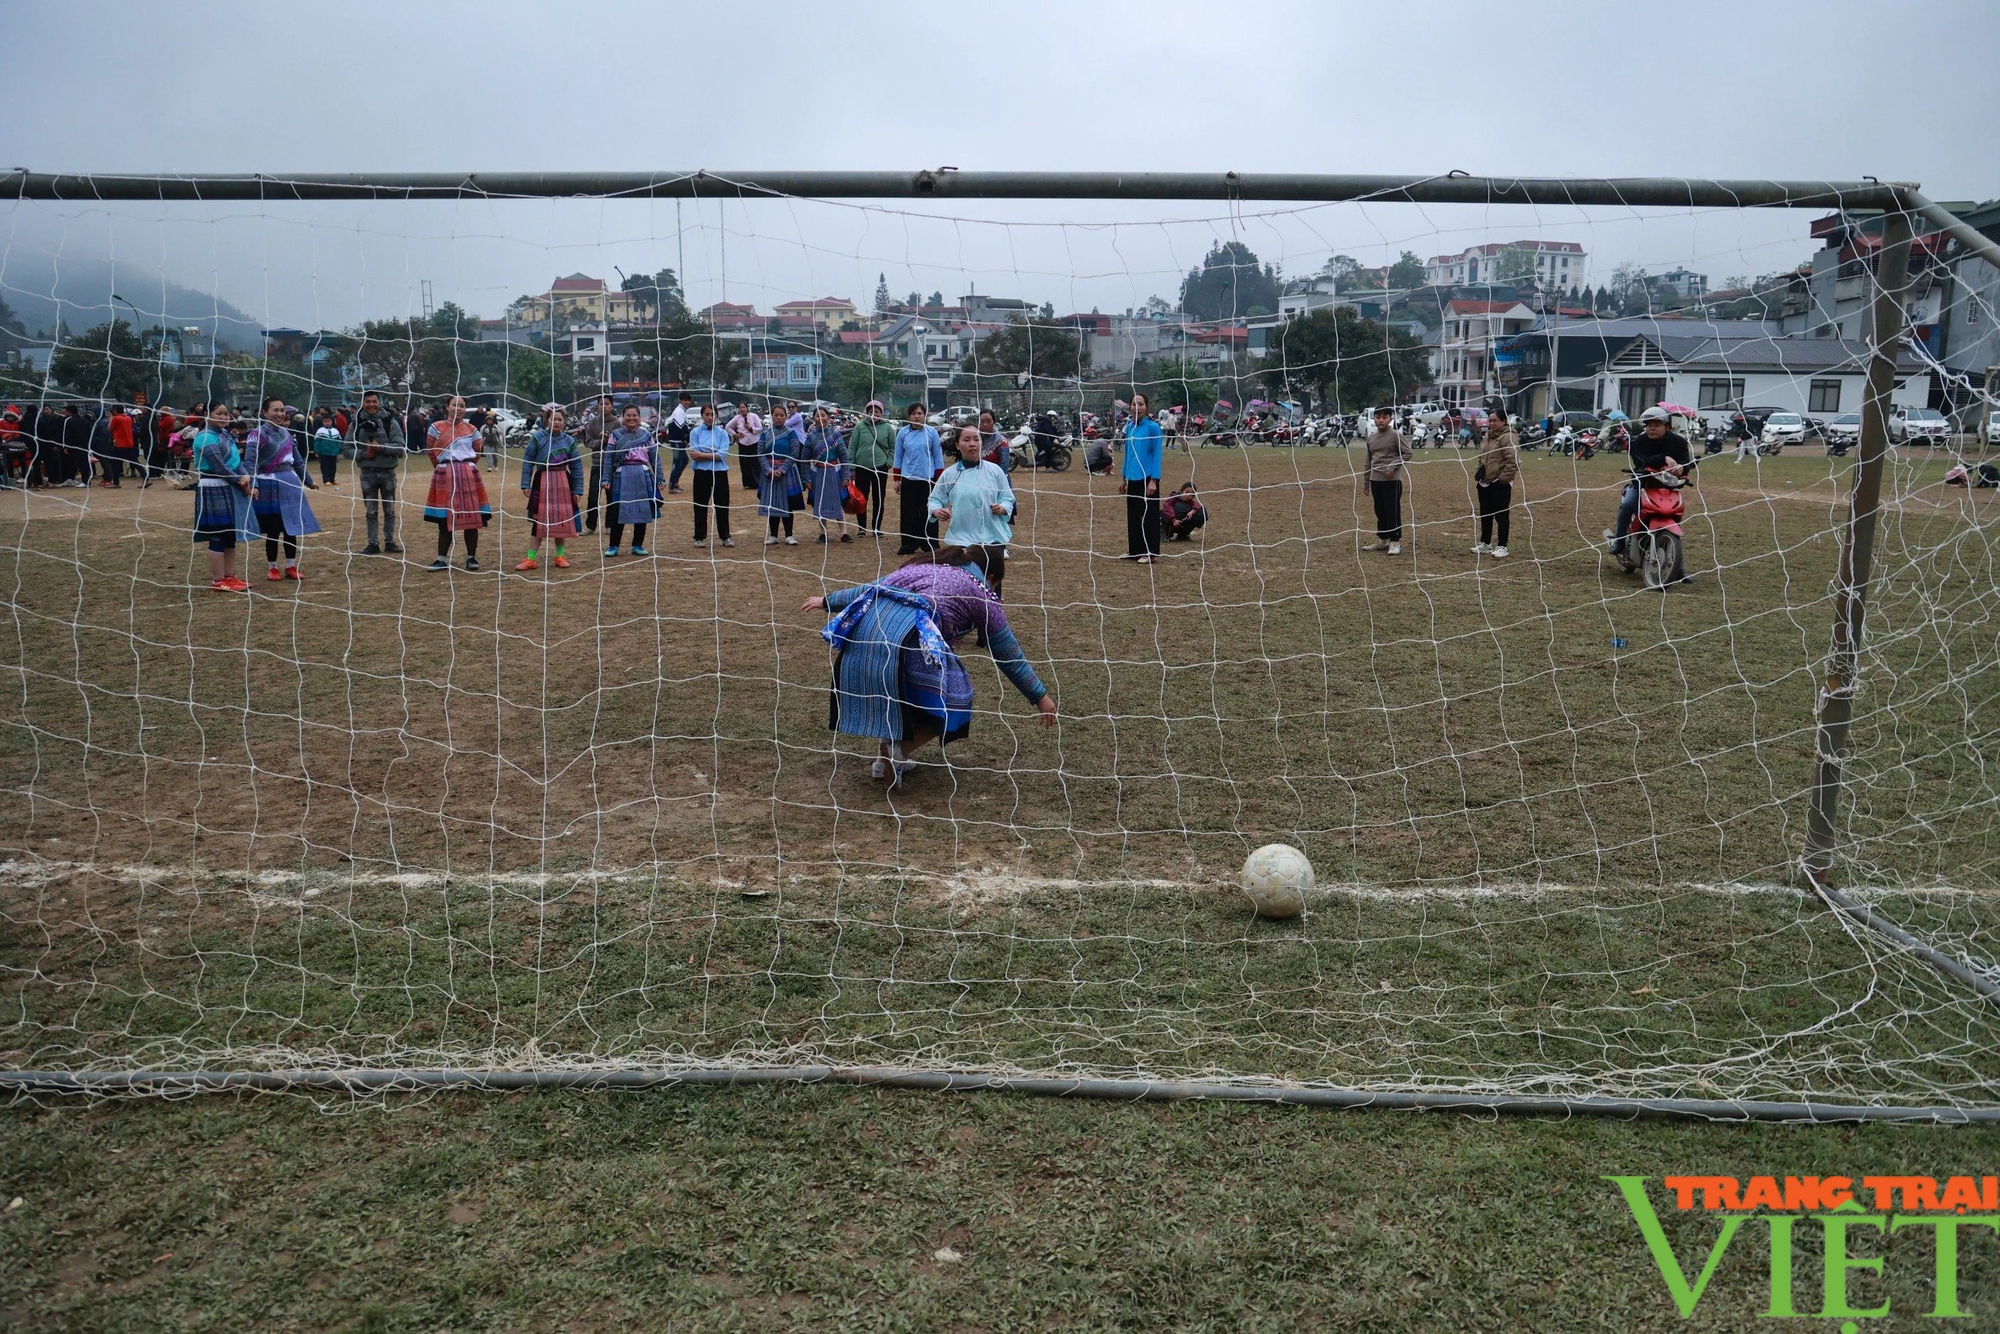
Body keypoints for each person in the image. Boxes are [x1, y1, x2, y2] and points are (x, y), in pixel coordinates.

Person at [804, 547, 1056, 788]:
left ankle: (884, 762)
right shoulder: (979, 590)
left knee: (900, 694)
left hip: (865, 639)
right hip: (911, 638)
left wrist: (827, 601)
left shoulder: (920, 567)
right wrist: (1039, 696)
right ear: (991, 577)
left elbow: (868, 589)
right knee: (954, 698)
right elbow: (1007, 651)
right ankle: (898, 751)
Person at [1606, 405, 1693, 581]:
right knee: (1628, 505)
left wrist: (1682, 468)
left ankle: (1678, 567)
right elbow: (1639, 461)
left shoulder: (1679, 442)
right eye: (1648, 425)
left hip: (1668, 487)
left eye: (1657, 424)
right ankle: (1620, 541)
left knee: (1675, 516)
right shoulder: (1637, 441)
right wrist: (1663, 458)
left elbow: (1686, 462)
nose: (1651, 428)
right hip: (1642, 484)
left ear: (1667, 426)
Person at [928, 425, 1016, 596]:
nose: (972, 444)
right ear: (957, 445)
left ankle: (992, 618)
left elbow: (1008, 497)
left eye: (976, 439)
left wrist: (1003, 507)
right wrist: (937, 511)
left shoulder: (995, 471)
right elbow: (934, 499)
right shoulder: (950, 474)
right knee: (964, 586)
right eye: (966, 440)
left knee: (991, 587)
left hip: (993, 539)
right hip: (962, 539)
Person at [243, 396, 324, 581]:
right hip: (268, 483)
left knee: (291, 527)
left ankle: (291, 565)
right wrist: (253, 484)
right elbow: (250, 462)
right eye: (275, 410)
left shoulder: (287, 433)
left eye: (282, 411)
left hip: (289, 483)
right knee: (273, 529)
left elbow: (297, 460)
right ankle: (272, 567)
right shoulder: (256, 434)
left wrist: (308, 480)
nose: (279, 414)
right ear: (264, 412)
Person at [190, 402, 255, 592]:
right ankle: (219, 580)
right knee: (217, 535)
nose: (224, 417)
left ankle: (230, 577)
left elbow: (237, 462)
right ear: (207, 415)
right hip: (213, 487)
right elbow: (218, 466)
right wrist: (240, 482)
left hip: (229, 487)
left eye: (226, 414)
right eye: (219, 413)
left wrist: (247, 479)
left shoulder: (226, 435)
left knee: (229, 535)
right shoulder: (205, 437)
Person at [423, 395, 491, 571]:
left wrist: (465, 468)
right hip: (445, 474)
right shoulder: (435, 428)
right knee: (445, 518)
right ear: (447, 407)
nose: (458, 409)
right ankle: (442, 559)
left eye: (462, 406)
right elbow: (431, 452)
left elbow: (477, 453)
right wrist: (443, 468)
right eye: (455, 405)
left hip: (468, 475)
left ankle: (471, 558)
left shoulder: (472, 430)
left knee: (472, 517)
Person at [516, 404, 585, 571]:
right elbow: (528, 462)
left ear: (564, 421)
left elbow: (577, 466)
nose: (557, 422)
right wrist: (526, 484)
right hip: (542, 480)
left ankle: (560, 557)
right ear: (547, 420)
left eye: (560, 419)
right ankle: (531, 559)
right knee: (538, 520)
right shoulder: (537, 438)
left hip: (563, 481)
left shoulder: (569, 441)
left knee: (561, 521)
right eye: (553, 419)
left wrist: (578, 489)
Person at [350, 390, 407, 555]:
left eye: (374, 401)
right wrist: (364, 454)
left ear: (379, 403)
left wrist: (380, 447)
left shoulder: (390, 421)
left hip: (388, 472)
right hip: (367, 473)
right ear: (363, 404)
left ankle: (390, 541)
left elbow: (400, 446)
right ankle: (372, 543)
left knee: (389, 510)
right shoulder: (355, 423)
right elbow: (347, 448)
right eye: (367, 402)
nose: (371, 405)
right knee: (371, 511)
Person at [604, 404, 663, 556]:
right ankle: (613, 546)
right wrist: (605, 478)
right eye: (628, 415)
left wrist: (660, 479)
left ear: (639, 417)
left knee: (642, 510)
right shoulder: (615, 435)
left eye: (634, 415)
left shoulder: (647, 435)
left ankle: (637, 545)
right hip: (621, 474)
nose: (631, 418)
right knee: (618, 510)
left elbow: (654, 459)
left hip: (642, 474)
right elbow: (609, 458)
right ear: (622, 417)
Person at [890, 401, 944, 555]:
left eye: (920, 413)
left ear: (925, 415)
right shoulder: (903, 433)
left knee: (929, 511)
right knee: (908, 513)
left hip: (928, 479)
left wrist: (938, 479)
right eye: (914, 413)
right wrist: (896, 479)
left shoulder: (931, 432)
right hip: (908, 479)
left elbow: (938, 456)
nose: (917, 416)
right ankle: (908, 544)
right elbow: (898, 456)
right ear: (909, 416)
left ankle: (930, 544)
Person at [1362, 405, 1412, 555]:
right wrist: (1366, 482)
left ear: (1390, 419)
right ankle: (1383, 539)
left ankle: (1395, 541)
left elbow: (1407, 453)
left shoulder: (1396, 435)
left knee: (1392, 511)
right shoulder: (1371, 438)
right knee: (1380, 510)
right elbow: (1367, 461)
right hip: (1375, 479)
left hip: (1392, 481)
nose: (1381, 420)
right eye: (1378, 417)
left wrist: (1392, 466)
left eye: (1384, 417)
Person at [1121, 392, 1164, 563]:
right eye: (1134, 404)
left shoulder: (1153, 428)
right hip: (1132, 478)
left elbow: (1157, 454)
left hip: (1148, 478)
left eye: (1141, 404)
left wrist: (1154, 480)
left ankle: (1151, 552)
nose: (1137, 407)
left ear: (1146, 407)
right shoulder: (1130, 427)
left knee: (1149, 516)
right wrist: (1123, 478)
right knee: (1133, 515)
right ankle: (1135, 551)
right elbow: (1127, 454)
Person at [1472, 407, 1518, 559]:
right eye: (1489, 420)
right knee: (1485, 513)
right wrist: (1480, 471)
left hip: (1499, 483)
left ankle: (1502, 546)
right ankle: (1485, 543)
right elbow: (1483, 456)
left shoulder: (1508, 437)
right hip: (1485, 482)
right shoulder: (1488, 436)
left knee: (1501, 515)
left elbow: (1512, 461)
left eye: (1495, 420)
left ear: (1503, 421)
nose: (1491, 423)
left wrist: (1502, 480)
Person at [687, 402, 734, 547]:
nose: (710, 417)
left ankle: (725, 536)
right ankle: (699, 537)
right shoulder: (695, 432)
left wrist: (703, 454)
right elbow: (694, 454)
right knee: (700, 505)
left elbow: (722, 455)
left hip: (719, 472)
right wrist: (710, 454)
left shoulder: (722, 433)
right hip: (701, 472)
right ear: (702, 415)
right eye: (707, 414)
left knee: (722, 505)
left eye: (712, 414)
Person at [805, 406, 854, 543]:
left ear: (828, 416)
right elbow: (804, 460)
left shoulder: (836, 434)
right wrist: (806, 478)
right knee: (819, 503)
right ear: (813, 418)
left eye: (823, 415)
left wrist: (846, 475)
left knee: (838, 502)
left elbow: (844, 456)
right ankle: (823, 533)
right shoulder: (810, 437)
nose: (820, 418)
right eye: (817, 416)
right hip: (818, 473)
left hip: (834, 472)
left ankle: (844, 533)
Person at [847, 399, 895, 535]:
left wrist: (889, 462)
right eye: (871, 411)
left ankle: (876, 528)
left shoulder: (887, 428)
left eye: (877, 411)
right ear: (866, 413)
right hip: (862, 467)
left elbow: (893, 446)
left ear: (882, 413)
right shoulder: (860, 426)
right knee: (861, 498)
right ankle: (862, 528)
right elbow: (852, 447)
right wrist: (852, 467)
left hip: (880, 467)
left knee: (879, 498)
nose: (874, 414)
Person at [759, 405, 803, 545]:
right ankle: (773, 536)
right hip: (769, 472)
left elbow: (795, 453)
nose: (779, 418)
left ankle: (789, 535)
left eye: (782, 415)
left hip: (787, 472)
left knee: (788, 504)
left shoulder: (792, 433)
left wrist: (782, 469)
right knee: (772, 503)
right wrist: (769, 469)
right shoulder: (765, 433)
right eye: (776, 415)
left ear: (786, 416)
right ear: (771, 416)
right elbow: (760, 454)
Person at [579, 395, 616, 533]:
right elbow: (588, 442)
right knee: (593, 497)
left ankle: (610, 525)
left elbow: (620, 442)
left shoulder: (616, 423)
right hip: (597, 464)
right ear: (598, 406)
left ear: (611, 406)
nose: (604, 406)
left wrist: (609, 440)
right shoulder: (593, 423)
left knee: (611, 496)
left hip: (612, 465)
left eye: (607, 404)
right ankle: (590, 526)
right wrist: (601, 441)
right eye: (601, 404)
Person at [729, 400, 764, 495]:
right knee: (745, 464)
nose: (742, 409)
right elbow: (727, 427)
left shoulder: (753, 416)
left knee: (756, 463)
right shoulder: (737, 418)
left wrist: (750, 428)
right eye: (740, 407)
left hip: (754, 442)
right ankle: (747, 483)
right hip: (743, 443)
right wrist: (735, 435)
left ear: (747, 408)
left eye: (744, 407)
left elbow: (760, 428)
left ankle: (758, 482)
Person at [663, 390, 694, 493]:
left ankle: (675, 482)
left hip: (678, 440)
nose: (687, 402)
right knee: (677, 462)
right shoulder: (679, 411)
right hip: (677, 440)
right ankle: (671, 486)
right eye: (685, 400)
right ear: (680, 401)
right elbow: (678, 427)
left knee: (684, 460)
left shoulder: (682, 411)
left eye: (688, 400)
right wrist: (684, 439)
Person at [311, 408, 344, 488]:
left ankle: (332, 480)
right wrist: (317, 451)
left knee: (333, 467)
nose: (327, 423)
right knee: (324, 466)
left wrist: (339, 449)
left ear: (332, 421)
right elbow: (317, 442)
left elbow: (339, 441)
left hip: (333, 452)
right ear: (323, 422)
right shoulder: (320, 431)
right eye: (325, 421)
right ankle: (326, 480)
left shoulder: (335, 431)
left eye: (328, 421)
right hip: (324, 452)